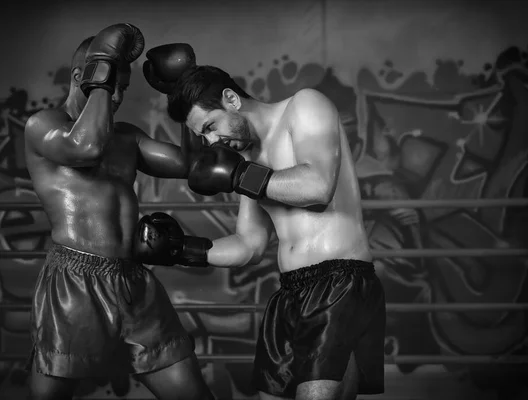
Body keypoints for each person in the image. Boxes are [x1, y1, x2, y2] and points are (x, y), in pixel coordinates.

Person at [144, 60, 386, 400]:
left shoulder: (304, 105)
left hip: (339, 284)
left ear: (231, 99)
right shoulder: (250, 160)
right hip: (289, 292)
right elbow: (249, 244)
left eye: (211, 126)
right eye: (204, 136)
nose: (212, 140)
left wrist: (241, 176)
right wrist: (181, 248)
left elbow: (317, 186)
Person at [23, 25, 214, 400]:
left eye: (123, 88)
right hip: (74, 283)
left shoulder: (127, 137)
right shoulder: (43, 125)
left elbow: (194, 166)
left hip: (133, 282)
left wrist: (184, 92)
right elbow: (87, 148)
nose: (118, 97)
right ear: (83, 77)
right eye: (113, 85)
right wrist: (102, 69)